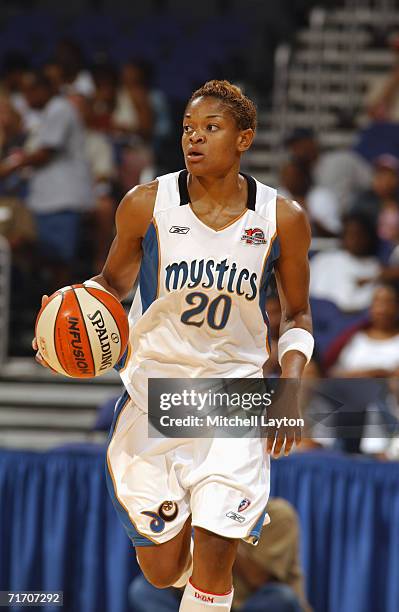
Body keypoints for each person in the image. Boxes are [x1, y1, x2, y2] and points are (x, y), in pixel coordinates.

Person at [33, 80, 313, 612]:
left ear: (244, 138)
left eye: (212, 127)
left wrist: (290, 386)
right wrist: (63, 310)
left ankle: (215, 566)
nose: (195, 138)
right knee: (163, 573)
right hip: (155, 395)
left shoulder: (282, 218)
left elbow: (298, 313)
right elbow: (110, 284)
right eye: (188, 127)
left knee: (214, 556)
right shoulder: (146, 203)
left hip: (234, 397)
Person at [129, 498, 312, 612]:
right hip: (209, 596)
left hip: (253, 602)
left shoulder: (280, 515)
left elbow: (259, 579)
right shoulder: (196, 508)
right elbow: (182, 579)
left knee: (281, 598)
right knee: (143, 590)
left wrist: (222, 530)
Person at [2, 70, 94, 290]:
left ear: (43, 90)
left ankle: (61, 309)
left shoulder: (59, 108)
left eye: (30, 92)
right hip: (45, 200)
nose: (26, 98)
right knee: (42, 257)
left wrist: (8, 168)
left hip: (61, 199)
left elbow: (45, 153)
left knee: (60, 261)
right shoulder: (44, 115)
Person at [310, 212, 381, 312]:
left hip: (353, 320)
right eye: (350, 234)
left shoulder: (375, 267)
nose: (355, 240)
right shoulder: (324, 259)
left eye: (360, 235)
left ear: (368, 237)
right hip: (318, 314)